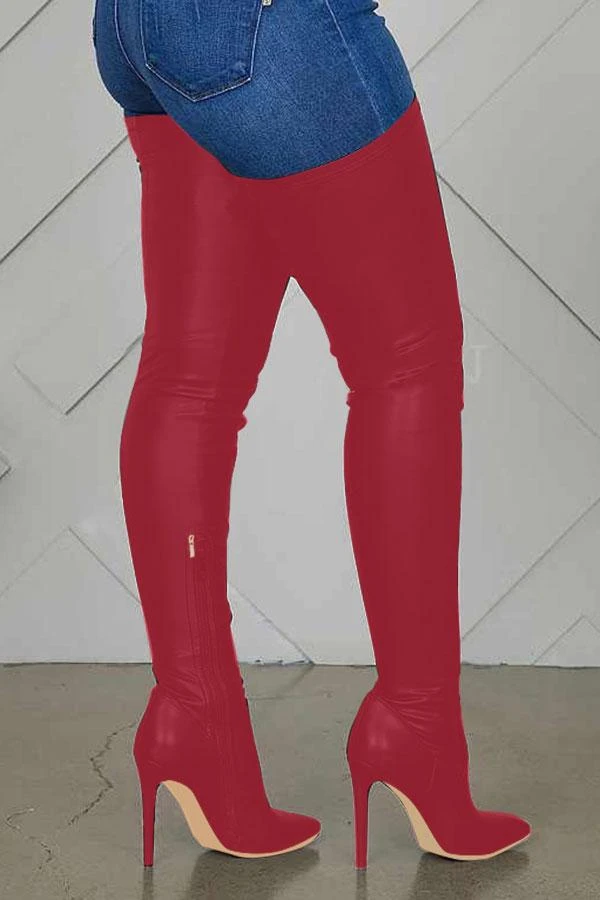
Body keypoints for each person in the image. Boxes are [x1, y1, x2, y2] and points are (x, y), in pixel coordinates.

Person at [91, 0, 532, 869]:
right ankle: (414, 729)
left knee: (188, 378)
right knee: (407, 364)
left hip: (137, 27)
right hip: (262, 26)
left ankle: (193, 721)